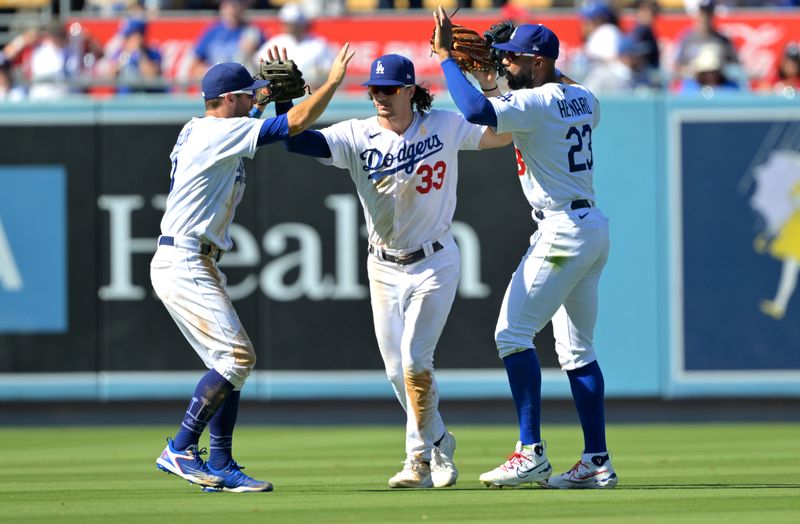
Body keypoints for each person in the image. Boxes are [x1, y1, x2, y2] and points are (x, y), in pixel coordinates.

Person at [275, 48, 513, 489]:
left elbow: (502, 134)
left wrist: (489, 85)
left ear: (409, 90)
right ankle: (440, 439)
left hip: (435, 260)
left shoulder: (443, 124)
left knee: (415, 360)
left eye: (387, 89)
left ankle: (417, 461)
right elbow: (294, 140)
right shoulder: (356, 134)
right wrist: (284, 103)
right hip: (383, 265)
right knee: (394, 371)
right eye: (373, 90)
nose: (379, 97)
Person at [151, 43, 355, 492]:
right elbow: (296, 125)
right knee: (237, 358)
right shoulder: (214, 132)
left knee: (229, 365)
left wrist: (270, 94)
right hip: (185, 258)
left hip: (192, 258)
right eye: (246, 95)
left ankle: (221, 463)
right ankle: (180, 448)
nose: (253, 99)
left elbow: (265, 115)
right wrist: (331, 84)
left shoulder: (209, 125)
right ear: (226, 102)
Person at [433, 7, 617, 489]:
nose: (504, 62)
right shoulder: (583, 97)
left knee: (511, 335)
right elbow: (550, 93)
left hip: (561, 234)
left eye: (515, 58)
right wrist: (496, 73)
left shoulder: (537, 103)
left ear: (538, 64)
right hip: (592, 228)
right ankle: (596, 461)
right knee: (577, 351)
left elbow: (477, 113)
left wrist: (446, 60)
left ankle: (530, 451)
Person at [255, 2, 334, 89]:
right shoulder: (276, 42)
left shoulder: (318, 44)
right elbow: (258, 63)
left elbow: (329, 72)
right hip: (281, 91)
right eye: (286, 22)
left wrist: (315, 79)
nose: (287, 26)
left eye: (291, 23)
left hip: (310, 92)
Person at [191, 0, 265, 80]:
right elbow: (195, 65)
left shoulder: (253, 32)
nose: (230, 10)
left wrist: (253, 54)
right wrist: (210, 73)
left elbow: (265, 63)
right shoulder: (212, 32)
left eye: (234, 5)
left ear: (243, 7)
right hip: (219, 85)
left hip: (244, 84)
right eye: (226, 5)